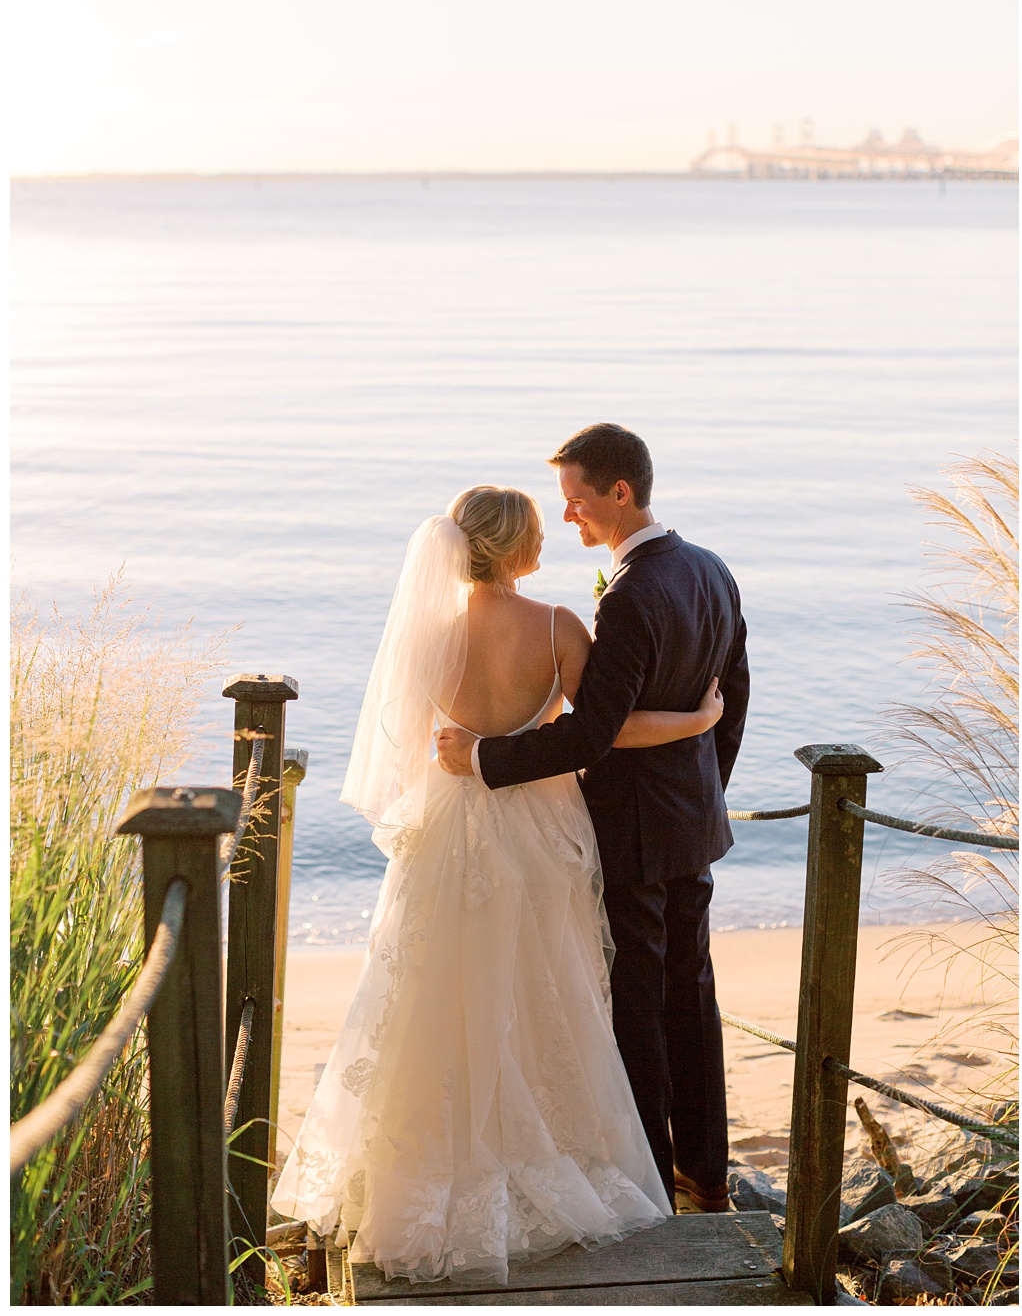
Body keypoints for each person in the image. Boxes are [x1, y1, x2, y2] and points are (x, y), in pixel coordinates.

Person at [272, 484, 723, 1283]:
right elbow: (605, 729)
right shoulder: (556, 626)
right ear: (512, 545)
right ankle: (553, 1154)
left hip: (449, 826)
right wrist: (696, 721)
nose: (551, 535)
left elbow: (417, 747)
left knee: (434, 991)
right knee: (544, 992)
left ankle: (421, 1170)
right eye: (539, 529)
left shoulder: (431, 633)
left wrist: (466, 752)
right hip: (538, 834)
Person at [435, 423, 750, 1216]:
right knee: (693, 989)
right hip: (690, 824)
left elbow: (594, 731)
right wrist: (704, 788)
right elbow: (733, 694)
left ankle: (651, 1172)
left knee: (640, 999)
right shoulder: (710, 569)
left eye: (577, 499)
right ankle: (706, 1174)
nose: (568, 515)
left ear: (620, 491)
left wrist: (483, 758)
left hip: (637, 829)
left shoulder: (630, 594)